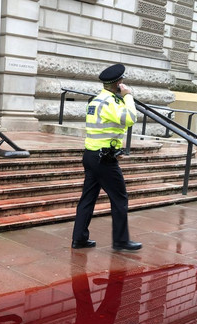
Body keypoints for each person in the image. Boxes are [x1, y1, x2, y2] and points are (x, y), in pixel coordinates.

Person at [71, 64, 142, 252]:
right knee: (120, 199)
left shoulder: (96, 100)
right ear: (118, 83)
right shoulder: (111, 102)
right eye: (122, 82)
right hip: (104, 159)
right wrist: (128, 96)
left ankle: (79, 238)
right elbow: (130, 118)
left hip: (90, 155)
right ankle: (121, 241)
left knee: (87, 198)